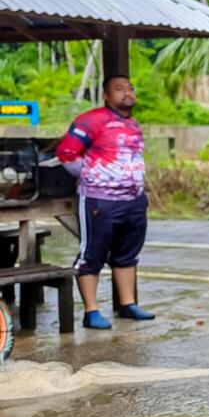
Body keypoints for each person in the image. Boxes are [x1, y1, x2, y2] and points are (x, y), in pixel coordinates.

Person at [56, 74, 154, 329]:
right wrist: (90, 176)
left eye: (131, 88)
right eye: (119, 89)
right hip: (99, 200)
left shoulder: (133, 124)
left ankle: (128, 304)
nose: (127, 93)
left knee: (127, 253)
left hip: (133, 199)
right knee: (93, 253)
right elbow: (66, 152)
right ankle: (91, 311)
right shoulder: (90, 120)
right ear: (106, 96)